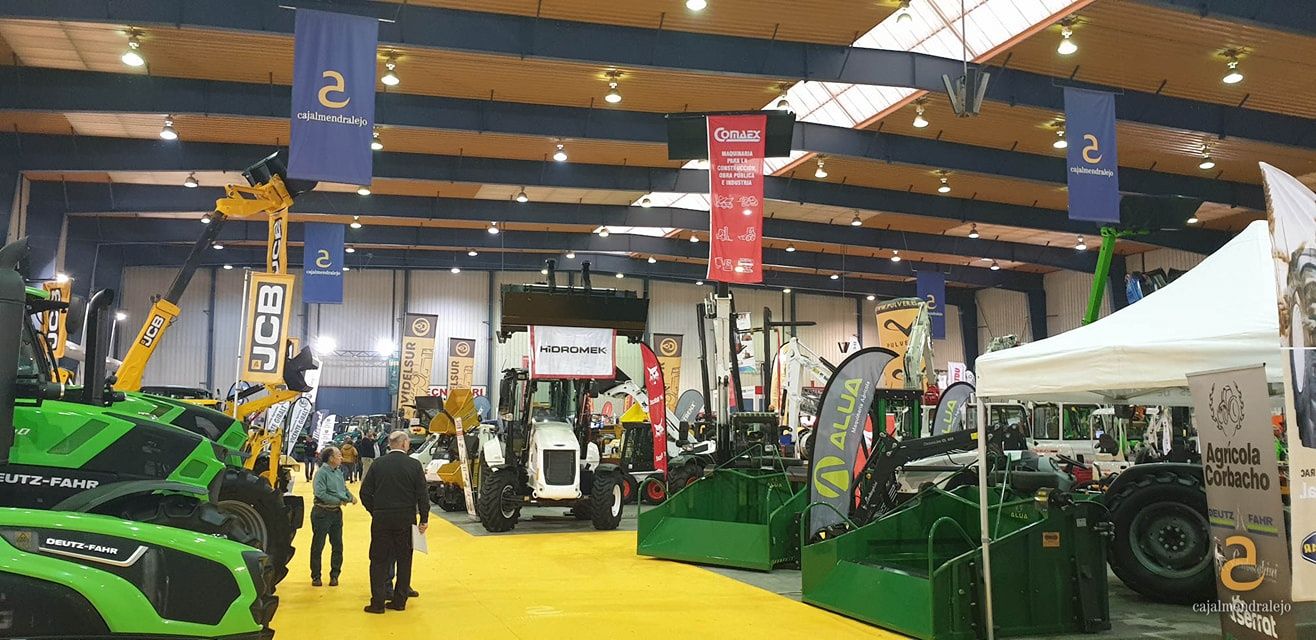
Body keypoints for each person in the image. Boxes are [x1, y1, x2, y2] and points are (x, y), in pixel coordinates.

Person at [359, 430, 429, 614]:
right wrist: (424, 519)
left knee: (378, 560)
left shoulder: (378, 464)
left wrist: (375, 511)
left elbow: (364, 493)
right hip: (406, 519)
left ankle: (377, 603)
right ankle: (399, 601)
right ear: (404, 444)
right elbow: (423, 495)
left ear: (390, 444)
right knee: (404, 561)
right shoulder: (414, 465)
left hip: (382, 519)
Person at [310, 446, 355, 587]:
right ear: (331, 458)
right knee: (318, 546)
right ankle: (316, 576)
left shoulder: (338, 472)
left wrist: (350, 496)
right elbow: (320, 493)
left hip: (336, 513)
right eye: (339, 455)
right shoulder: (321, 473)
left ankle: (335, 575)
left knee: (337, 545)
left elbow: (343, 488)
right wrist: (339, 501)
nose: (341, 457)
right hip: (322, 512)